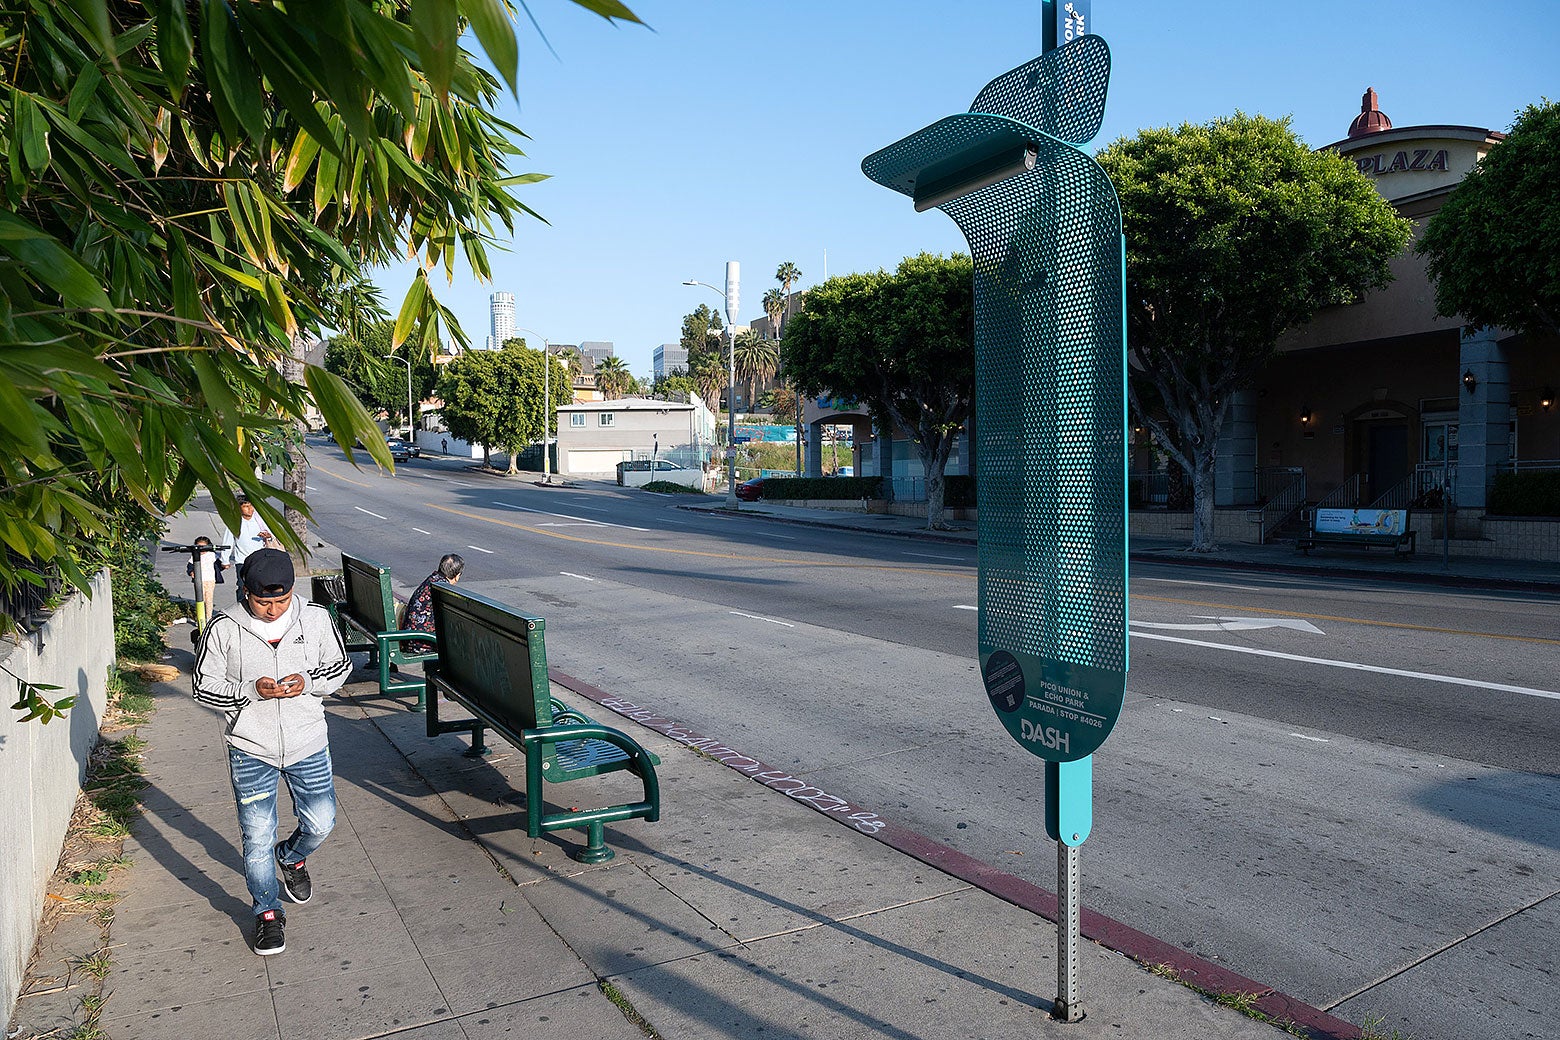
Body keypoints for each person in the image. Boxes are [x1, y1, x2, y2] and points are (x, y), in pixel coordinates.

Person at [192, 549, 351, 956]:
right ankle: (266, 911)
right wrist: (248, 691)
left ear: (292, 591)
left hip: (307, 741)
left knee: (321, 822)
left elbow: (341, 666)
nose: (272, 609)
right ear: (246, 592)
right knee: (256, 836)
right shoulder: (224, 627)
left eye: (280, 601)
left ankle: (293, 857)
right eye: (263, 601)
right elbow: (202, 687)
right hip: (251, 748)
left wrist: (308, 680)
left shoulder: (315, 618)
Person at [401, 553, 464, 655]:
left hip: (410, 637)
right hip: (423, 641)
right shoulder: (443, 588)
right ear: (457, 576)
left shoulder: (432, 579)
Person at [221, 497, 273, 599]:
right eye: (245, 506)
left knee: (260, 585)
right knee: (242, 585)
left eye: (251, 506)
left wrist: (268, 536)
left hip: (260, 560)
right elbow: (228, 541)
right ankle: (240, 607)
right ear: (239, 508)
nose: (249, 509)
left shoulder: (260, 520)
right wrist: (225, 560)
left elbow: (272, 534)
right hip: (242, 560)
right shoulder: (235, 522)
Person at [185, 536, 226, 629]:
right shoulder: (194, 555)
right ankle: (200, 618)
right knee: (200, 599)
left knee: (209, 599)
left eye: (204, 547)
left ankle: (208, 617)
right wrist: (191, 572)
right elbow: (190, 566)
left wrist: (224, 566)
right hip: (199, 580)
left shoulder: (212, 555)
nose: (202, 550)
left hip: (210, 580)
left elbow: (219, 565)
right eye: (199, 547)